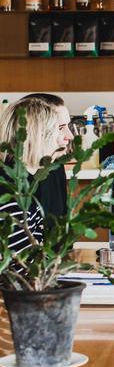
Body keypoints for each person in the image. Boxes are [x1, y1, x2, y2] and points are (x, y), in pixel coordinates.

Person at [0, 96, 72, 252]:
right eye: (59, 128)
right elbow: (20, 266)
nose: (68, 137)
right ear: (37, 135)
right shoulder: (11, 194)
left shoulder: (25, 183)